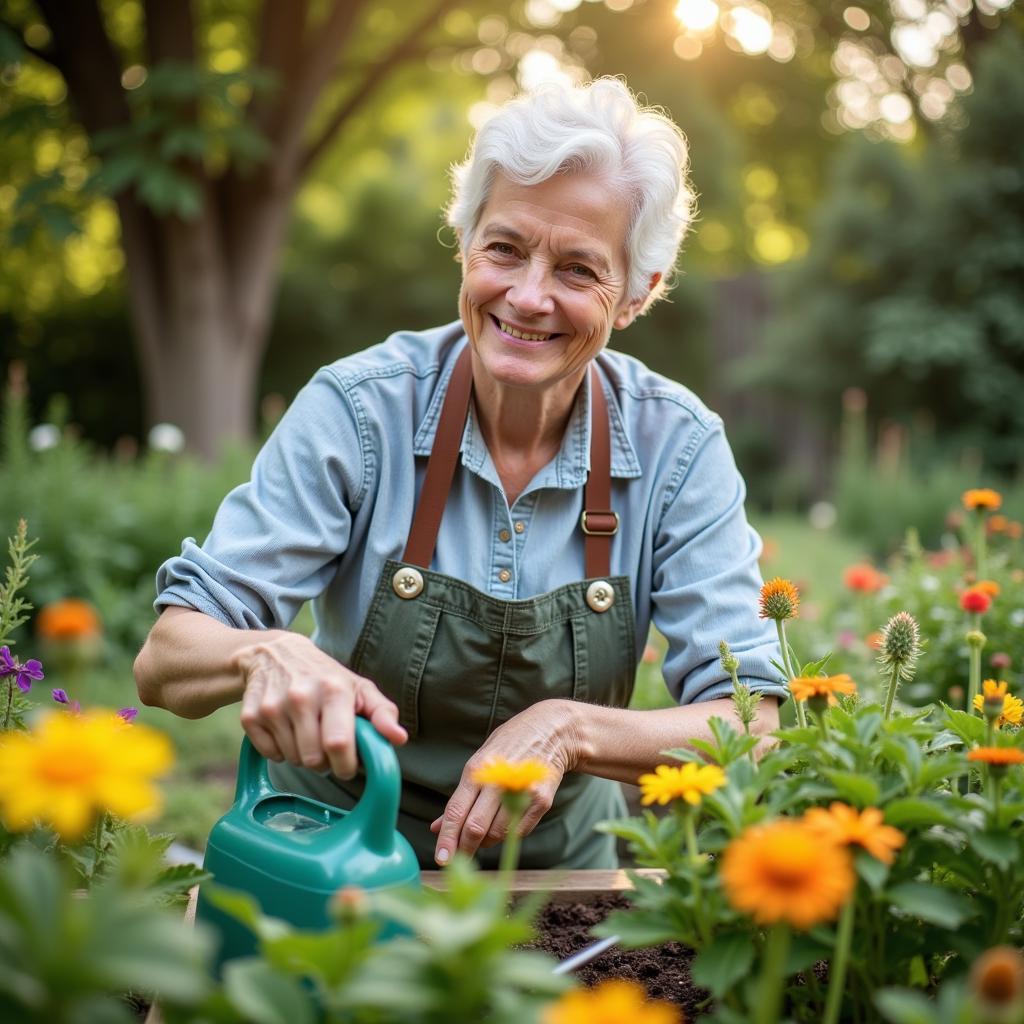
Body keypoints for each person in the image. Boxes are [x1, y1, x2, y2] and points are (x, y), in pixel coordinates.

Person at [134, 78, 787, 871]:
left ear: (638, 295)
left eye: (579, 270)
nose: (529, 295)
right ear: (466, 239)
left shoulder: (677, 447)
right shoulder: (359, 411)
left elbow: (751, 725)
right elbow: (166, 658)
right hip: (330, 853)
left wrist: (567, 730)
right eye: (505, 248)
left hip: (555, 874)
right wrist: (262, 652)